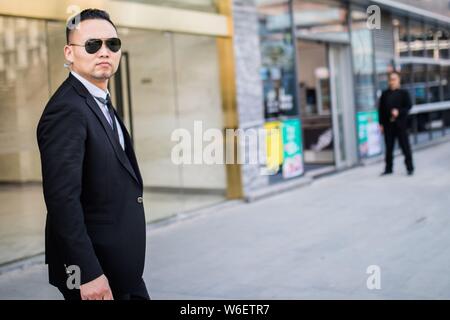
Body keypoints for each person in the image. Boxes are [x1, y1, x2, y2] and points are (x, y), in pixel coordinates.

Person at [37, 9, 149, 300]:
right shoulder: (66, 110)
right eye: (92, 45)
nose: (104, 52)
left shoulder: (98, 100)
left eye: (112, 44)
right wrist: (86, 273)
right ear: (69, 53)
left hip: (120, 268)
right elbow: (62, 200)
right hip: (94, 274)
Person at [378, 71, 414, 176]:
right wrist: (381, 124)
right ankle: (388, 169)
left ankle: (410, 168)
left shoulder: (404, 93)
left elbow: (408, 107)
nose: (392, 81)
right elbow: (380, 110)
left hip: (401, 125)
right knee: (388, 148)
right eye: (390, 79)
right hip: (388, 125)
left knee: (405, 147)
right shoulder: (384, 94)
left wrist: (399, 112)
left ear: (398, 80)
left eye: (394, 79)